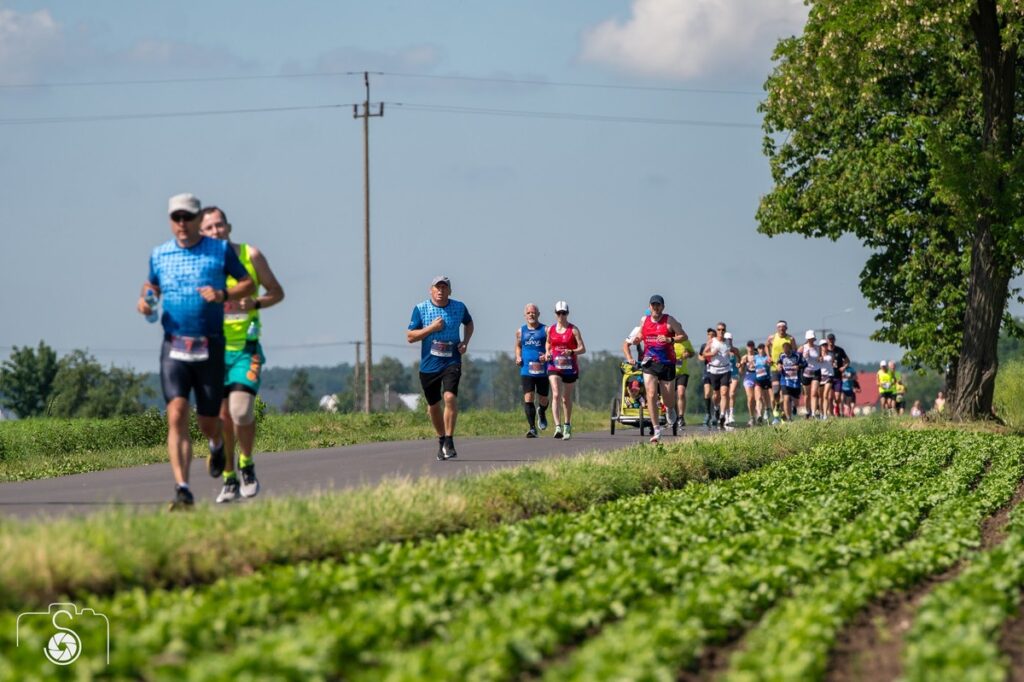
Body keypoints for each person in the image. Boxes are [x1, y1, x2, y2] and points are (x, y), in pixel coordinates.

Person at [138, 193, 254, 510]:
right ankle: (183, 488)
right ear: (170, 221)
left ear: (197, 219)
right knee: (176, 413)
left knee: (207, 420)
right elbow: (150, 288)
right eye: (176, 218)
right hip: (174, 344)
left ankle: (216, 444)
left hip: (209, 345)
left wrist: (222, 293)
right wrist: (145, 301)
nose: (182, 224)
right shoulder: (159, 254)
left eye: (188, 218)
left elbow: (247, 283)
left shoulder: (217, 250)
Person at [200, 207, 285, 503]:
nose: (215, 231)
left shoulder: (251, 255)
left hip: (245, 350)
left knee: (240, 411)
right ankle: (228, 478)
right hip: (210, 352)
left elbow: (277, 291)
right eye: (208, 228)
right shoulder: (198, 264)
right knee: (220, 419)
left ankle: (246, 464)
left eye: (219, 225)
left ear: (228, 227)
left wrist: (255, 304)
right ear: (202, 233)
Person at [407, 276, 474, 460]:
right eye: (437, 287)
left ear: (449, 291)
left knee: (450, 397)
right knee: (433, 406)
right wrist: (431, 328)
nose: (440, 291)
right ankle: (441, 439)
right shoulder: (420, 309)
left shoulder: (459, 307)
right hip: (429, 365)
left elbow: (469, 323)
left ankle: (450, 440)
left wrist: (465, 343)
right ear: (431, 290)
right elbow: (410, 336)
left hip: (452, 361)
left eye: (444, 288)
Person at [627, 294, 687, 443]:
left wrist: (669, 339)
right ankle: (656, 430)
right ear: (649, 307)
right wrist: (637, 339)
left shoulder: (669, 321)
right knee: (651, 394)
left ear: (663, 307)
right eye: (653, 305)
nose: (656, 307)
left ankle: (670, 409)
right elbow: (641, 334)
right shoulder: (645, 321)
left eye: (658, 305)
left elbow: (683, 336)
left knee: (668, 400)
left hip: (667, 363)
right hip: (650, 363)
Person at [546, 301, 586, 440]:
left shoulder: (573, 330)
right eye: (558, 313)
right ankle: (557, 427)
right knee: (556, 394)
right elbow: (548, 343)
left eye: (564, 313)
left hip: (569, 367)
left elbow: (582, 348)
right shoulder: (550, 329)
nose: (561, 316)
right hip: (554, 366)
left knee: (565, 398)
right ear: (555, 314)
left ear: (567, 313)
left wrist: (572, 351)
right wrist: (547, 353)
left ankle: (567, 425)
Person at [515, 303, 549, 438]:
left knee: (543, 398)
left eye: (533, 312)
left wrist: (547, 355)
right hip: (526, 369)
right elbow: (518, 347)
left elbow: (550, 347)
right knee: (528, 398)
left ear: (538, 314)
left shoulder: (546, 330)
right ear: (525, 315)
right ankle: (532, 428)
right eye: (528, 313)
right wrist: (518, 356)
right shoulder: (520, 331)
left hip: (542, 370)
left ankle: (542, 412)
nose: (531, 315)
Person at [702, 322, 739, 429]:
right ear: (716, 330)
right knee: (716, 394)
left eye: (723, 329)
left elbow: (734, 350)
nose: (721, 331)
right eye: (719, 329)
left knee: (724, 392)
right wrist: (712, 354)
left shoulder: (727, 342)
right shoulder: (712, 341)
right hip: (714, 371)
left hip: (725, 370)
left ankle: (722, 415)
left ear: (725, 330)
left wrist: (739, 360)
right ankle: (716, 408)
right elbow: (704, 354)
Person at [766, 320, 796, 421]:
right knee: (775, 392)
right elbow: (766, 346)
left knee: (785, 394)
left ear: (786, 328)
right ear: (777, 328)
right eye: (779, 327)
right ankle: (777, 406)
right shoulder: (772, 338)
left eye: (783, 327)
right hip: (774, 368)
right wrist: (768, 356)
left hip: (787, 370)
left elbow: (795, 353)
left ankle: (783, 415)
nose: (781, 329)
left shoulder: (790, 339)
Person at [672, 330, 696, 429]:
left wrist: (688, 354)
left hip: (682, 372)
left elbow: (692, 353)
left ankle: (681, 417)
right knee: (672, 396)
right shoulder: (669, 341)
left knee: (681, 393)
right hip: (670, 372)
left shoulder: (685, 341)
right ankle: (674, 416)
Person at [824, 333, 850, 416]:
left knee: (837, 397)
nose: (831, 341)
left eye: (832, 339)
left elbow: (847, 361)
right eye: (829, 339)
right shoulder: (824, 350)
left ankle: (837, 407)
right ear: (827, 340)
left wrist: (844, 367)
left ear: (834, 340)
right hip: (828, 376)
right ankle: (831, 414)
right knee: (830, 397)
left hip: (838, 376)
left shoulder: (840, 350)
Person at [777, 341, 804, 421]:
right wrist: (779, 366)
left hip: (795, 381)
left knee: (796, 401)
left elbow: (805, 364)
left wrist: (798, 366)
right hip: (785, 380)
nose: (786, 354)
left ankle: (794, 406)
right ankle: (789, 418)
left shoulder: (798, 355)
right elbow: (779, 362)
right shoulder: (782, 355)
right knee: (786, 398)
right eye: (785, 351)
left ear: (790, 349)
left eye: (787, 351)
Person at [799, 330, 822, 418]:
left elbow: (820, 357)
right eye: (809, 338)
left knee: (814, 393)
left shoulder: (818, 347)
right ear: (807, 339)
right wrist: (803, 357)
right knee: (807, 395)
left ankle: (813, 413)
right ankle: (807, 411)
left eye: (812, 338)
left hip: (816, 371)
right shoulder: (803, 348)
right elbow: (796, 357)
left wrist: (820, 359)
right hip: (806, 373)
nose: (811, 340)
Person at [698, 328, 716, 427]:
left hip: (716, 371)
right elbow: (700, 356)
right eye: (709, 334)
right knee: (707, 392)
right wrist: (704, 357)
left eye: (713, 335)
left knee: (715, 394)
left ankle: (715, 413)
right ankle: (707, 413)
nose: (711, 336)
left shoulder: (716, 346)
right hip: (707, 371)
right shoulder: (704, 346)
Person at [725, 332, 740, 426]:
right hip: (725, 374)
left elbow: (739, 359)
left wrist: (739, 363)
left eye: (730, 340)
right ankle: (726, 414)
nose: (729, 341)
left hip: (734, 374)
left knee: (732, 393)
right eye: (727, 340)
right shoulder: (722, 350)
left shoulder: (735, 350)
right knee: (725, 394)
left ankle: (731, 413)